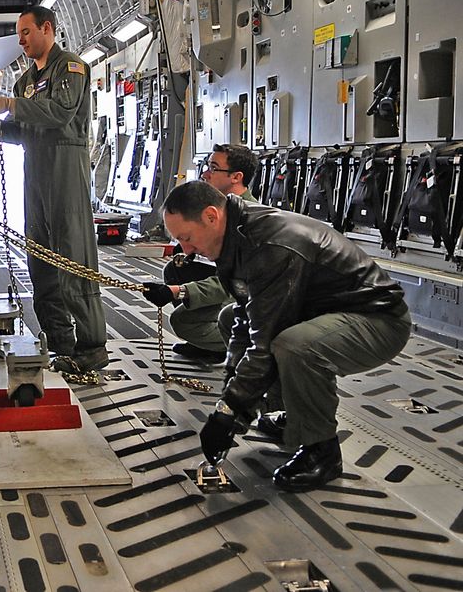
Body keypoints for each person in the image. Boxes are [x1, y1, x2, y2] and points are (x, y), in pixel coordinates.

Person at [162, 181, 411, 491]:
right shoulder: (235, 239)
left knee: (294, 347)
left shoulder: (270, 243)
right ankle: (295, 417)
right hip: (326, 312)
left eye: (186, 238)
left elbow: (265, 339)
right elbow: (245, 320)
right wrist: (230, 409)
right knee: (229, 319)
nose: (185, 250)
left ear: (211, 216)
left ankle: (322, 450)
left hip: (378, 319)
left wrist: (229, 410)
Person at [0, 5, 108, 376]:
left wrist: (9, 105)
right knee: (41, 259)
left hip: (65, 167)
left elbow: (59, 112)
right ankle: (60, 341)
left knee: (73, 257)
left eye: (26, 32)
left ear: (47, 29)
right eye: (19, 34)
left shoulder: (70, 67)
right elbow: (22, 131)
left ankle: (91, 345)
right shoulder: (25, 82)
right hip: (35, 169)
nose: (21, 40)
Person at [140, 144, 259, 363]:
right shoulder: (221, 207)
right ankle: (207, 344)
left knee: (182, 321)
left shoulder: (249, 222)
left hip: (250, 295)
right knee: (176, 269)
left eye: (214, 168)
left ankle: (234, 344)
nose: (205, 173)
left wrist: (178, 292)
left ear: (236, 177)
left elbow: (232, 281)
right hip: (230, 282)